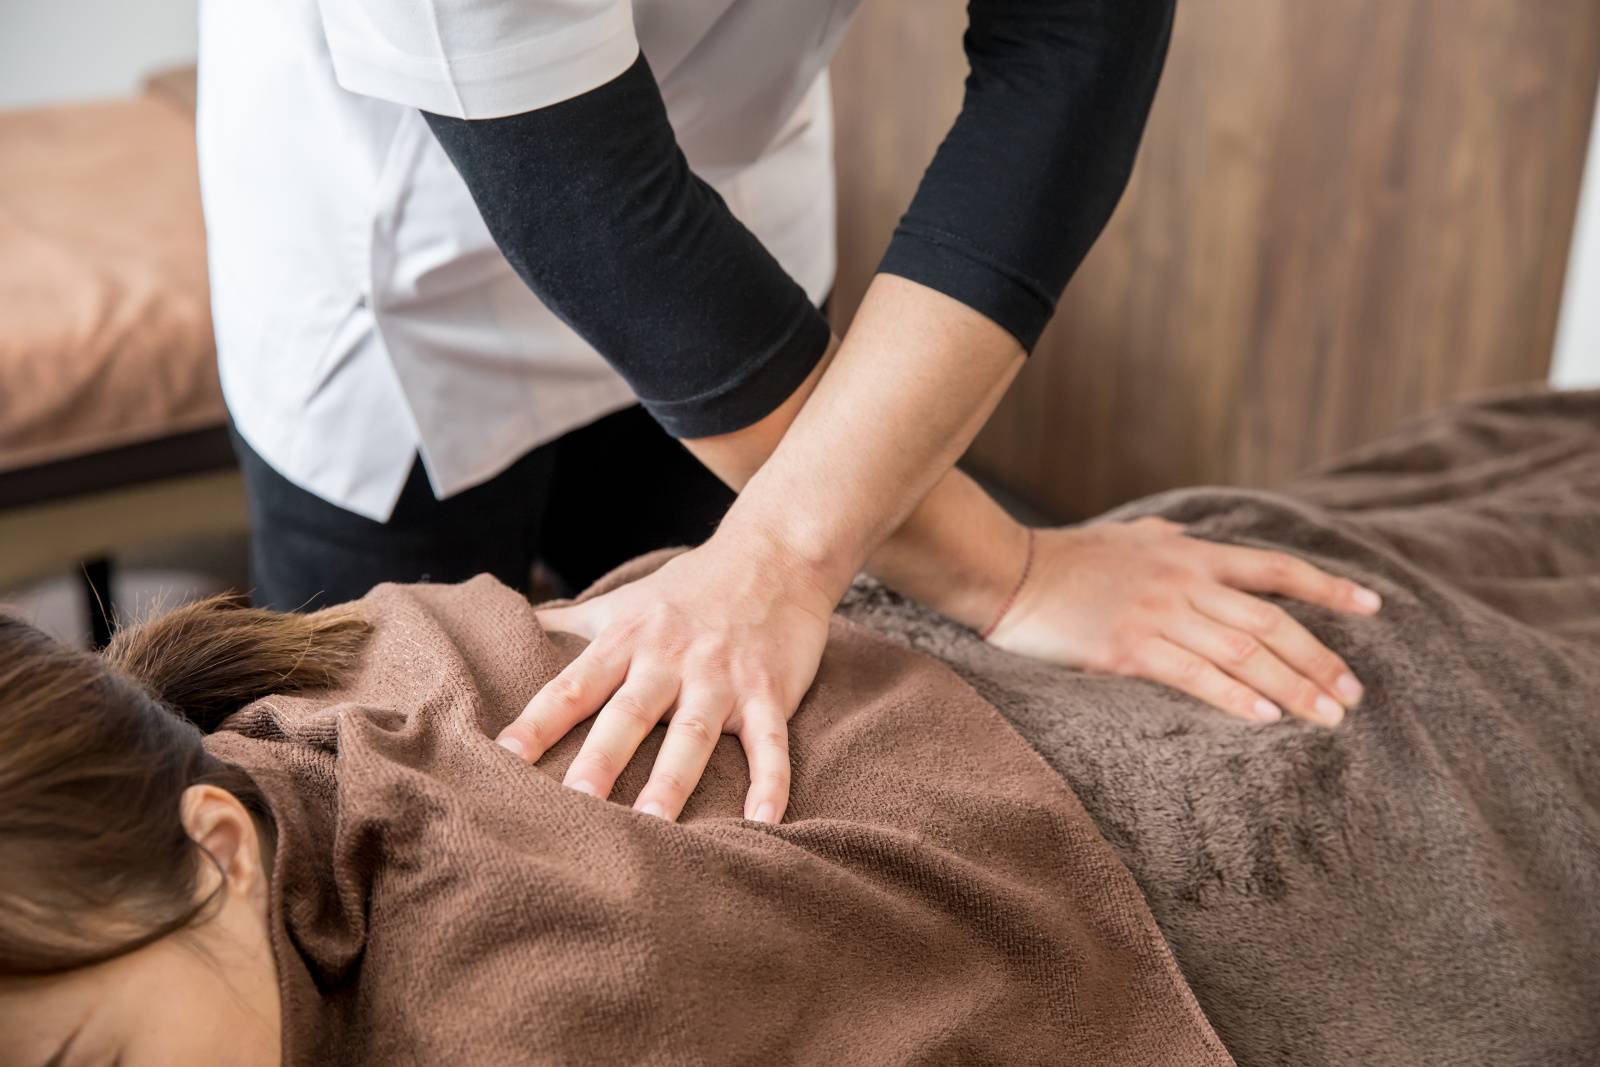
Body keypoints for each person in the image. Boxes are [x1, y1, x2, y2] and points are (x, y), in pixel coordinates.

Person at [199, 0, 1382, 829]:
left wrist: (790, 553)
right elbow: (583, 194)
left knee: (766, 755)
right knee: (385, 795)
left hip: (732, 197)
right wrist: (1002, 569)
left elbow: (1072, 39)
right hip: (398, 269)